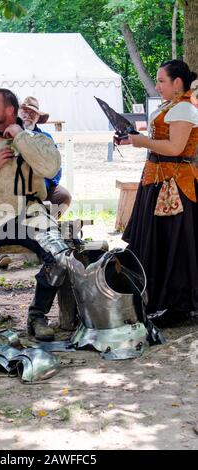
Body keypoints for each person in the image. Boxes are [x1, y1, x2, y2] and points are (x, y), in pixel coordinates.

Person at [0, 88, 69, 340]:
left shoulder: (39, 140)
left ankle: (37, 316)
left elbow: (50, 168)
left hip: (32, 214)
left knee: (61, 258)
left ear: (9, 110)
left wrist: (20, 137)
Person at [123, 59, 198, 326]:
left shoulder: (185, 109)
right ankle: (154, 299)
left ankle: (176, 305)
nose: (157, 85)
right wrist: (131, 137)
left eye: (162, 80)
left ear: (178, 83)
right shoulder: (172, 107)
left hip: (174, 185)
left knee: (173, 243)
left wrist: (143, 141)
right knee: (156, 240)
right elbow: (160, 140)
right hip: (158, 181)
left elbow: (176, 148)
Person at [19, 96, 72, 219]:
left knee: (64, 196)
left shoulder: (46, 138)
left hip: (42, 186)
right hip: (16, 186)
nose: (28, 115)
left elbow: (56, 167)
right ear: (19, 114)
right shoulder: (10, 135)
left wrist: (44, 184)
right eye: (25, 111)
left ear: (38, 117)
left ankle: (45, 227)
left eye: (33, 113)